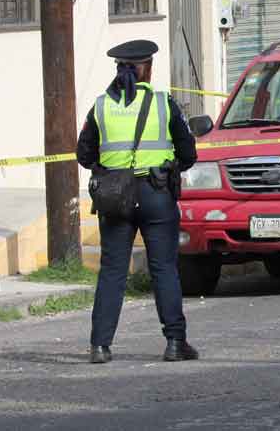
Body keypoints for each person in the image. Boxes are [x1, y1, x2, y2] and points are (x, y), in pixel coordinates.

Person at [76, 39, 199, 364]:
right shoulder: (164, 103)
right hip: (156, 193)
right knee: (163, 269)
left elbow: (83, 154)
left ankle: (99, 346)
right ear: (148, 69)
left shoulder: (100, 106)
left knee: (113, 271)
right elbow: (189, 154)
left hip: (115, 198)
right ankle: (175, 343)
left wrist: (111, 167)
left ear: (119, 70)